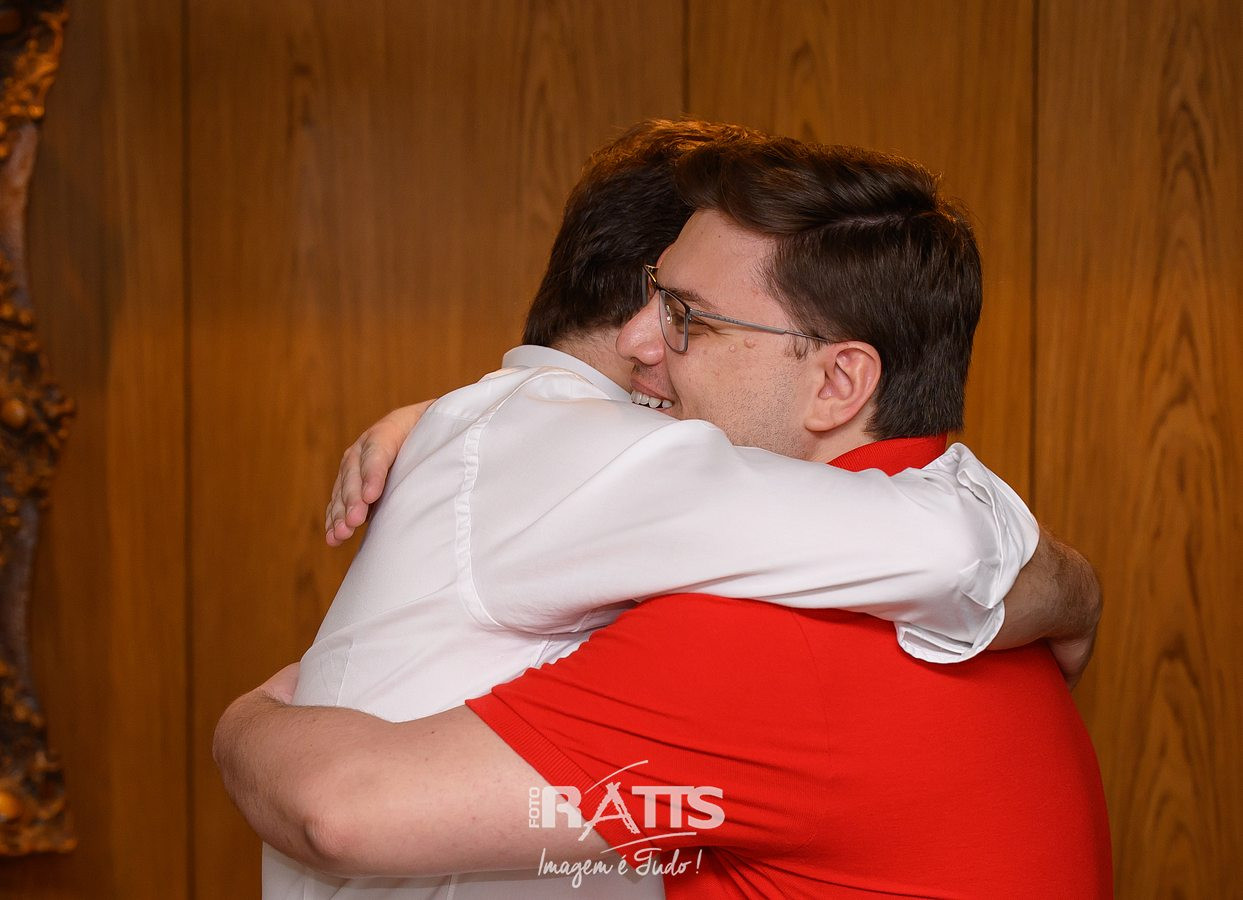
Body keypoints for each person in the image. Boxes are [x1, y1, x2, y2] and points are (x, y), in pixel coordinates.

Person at [222, 127, 1107, 898]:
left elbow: (341, 813)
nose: (639, 343)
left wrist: (247, 721)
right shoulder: (967, 607)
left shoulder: (762, 639)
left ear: (839, 381)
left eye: (689, 318)